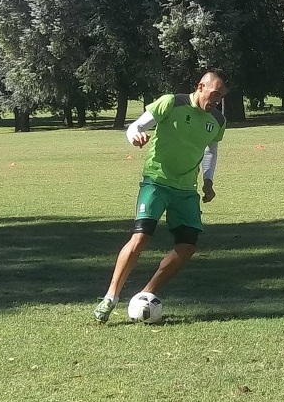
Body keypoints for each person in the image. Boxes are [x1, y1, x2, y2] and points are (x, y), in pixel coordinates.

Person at [92, 72, 228, 323]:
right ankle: (110, 298)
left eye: (221, 96)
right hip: (156, 181)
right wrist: (135, 136)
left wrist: (208, 180)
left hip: (186, 189)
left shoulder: (217, 120)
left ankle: (147, 293)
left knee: (187, 247)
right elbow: (136, 126)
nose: (217, 100)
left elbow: (211, 149)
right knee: (141, 237)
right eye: (214, 94)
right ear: (200, 87)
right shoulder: (171, 103)